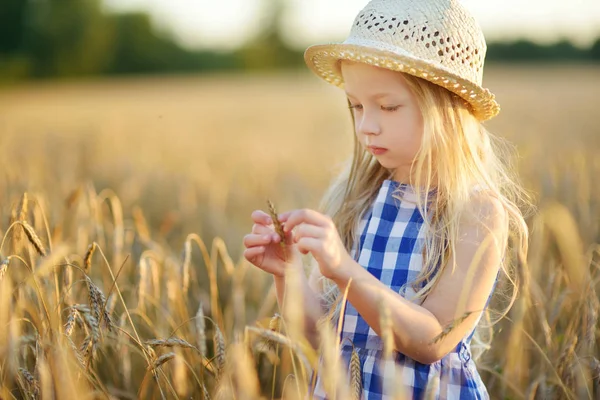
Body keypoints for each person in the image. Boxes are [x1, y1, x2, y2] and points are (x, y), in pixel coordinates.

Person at [243, 0, 531, 398]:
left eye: (388, 106)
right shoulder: (353, 199)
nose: (366, 126)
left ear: (446, 107)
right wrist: (287, 273)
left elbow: (432, 341)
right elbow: (321, 335)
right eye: (356, 106)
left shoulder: (476, 213)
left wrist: (344, 270)